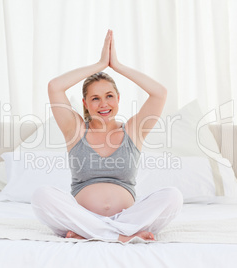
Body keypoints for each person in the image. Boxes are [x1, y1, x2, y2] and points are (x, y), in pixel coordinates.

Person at [31, 30, 182, 242]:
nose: (103, 104)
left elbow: (160, 93)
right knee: (41, 195)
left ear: (118, 98)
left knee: (173, 196)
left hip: (127, 219)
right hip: (82, 218)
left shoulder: (132, 131)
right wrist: (100, 64)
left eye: (109, 96)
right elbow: (54, 87)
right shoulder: (75, 129)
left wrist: (117, 65)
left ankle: (94, 234)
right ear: (85, 103)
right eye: (95, 98)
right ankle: (119, 236)